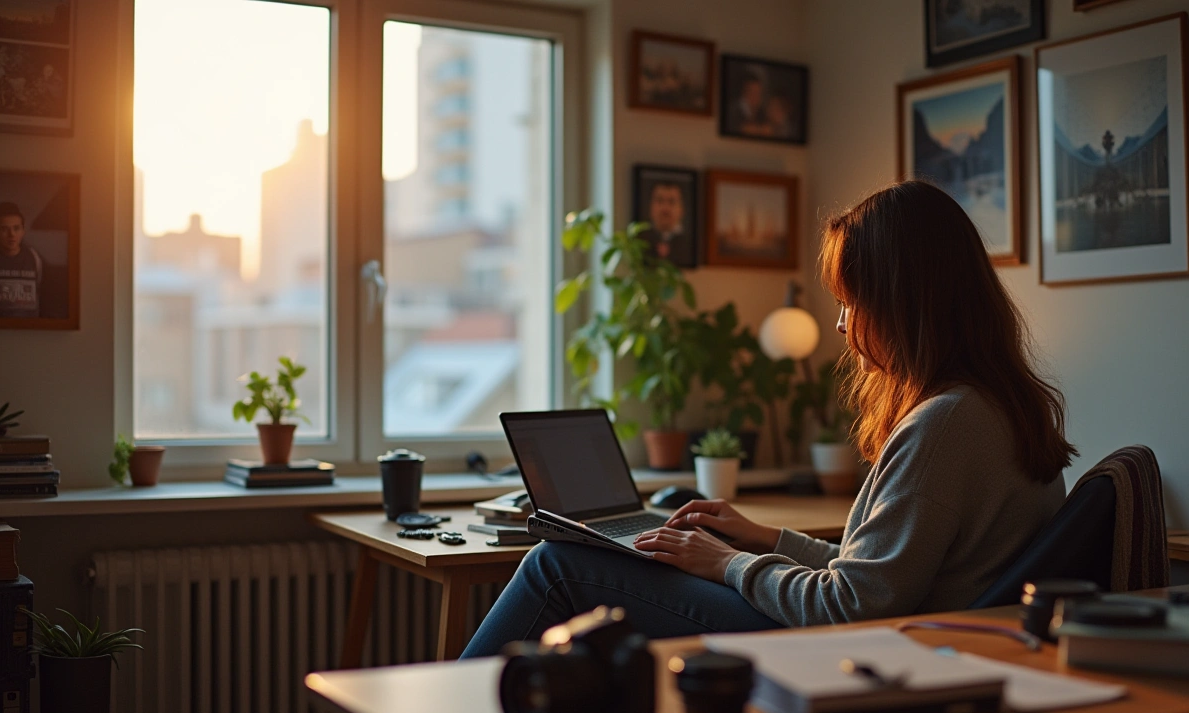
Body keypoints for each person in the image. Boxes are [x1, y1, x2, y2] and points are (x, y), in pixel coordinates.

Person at [460, 180, 1076, 658]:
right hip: (901, 635)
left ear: (900, 303)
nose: (840, 325)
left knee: (557, 564)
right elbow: (872, 575)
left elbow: (849, 607)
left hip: (873, 652)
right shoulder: (996, 405)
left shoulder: (945, 424)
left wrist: (725, 562)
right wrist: (761, 537)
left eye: (849, 303)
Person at [639, 180, 691, 264]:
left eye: (672, 202)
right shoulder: (640, 239)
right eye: (660, 201)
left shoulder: (690, 244)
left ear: (682, 208)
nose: (665, 208)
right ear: (650, 206)